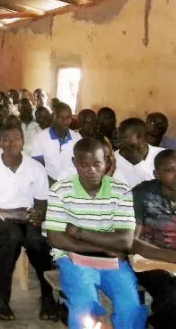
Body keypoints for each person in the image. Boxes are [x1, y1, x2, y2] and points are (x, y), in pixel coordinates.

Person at [44, 138, 147, 329]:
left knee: (130, 307)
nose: (91, 170)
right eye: (84, 165)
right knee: (84, 304)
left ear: (106, 162)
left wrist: (80, 233)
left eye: (97, 164)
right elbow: (56, 238)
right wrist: (106, 247)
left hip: (112, 260)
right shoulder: (60, 190)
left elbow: (125, 240)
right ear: (75, 163)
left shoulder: (121, 190)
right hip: (73, 258)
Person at [0, 122, 56, 322]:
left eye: (16, 138)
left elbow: (42, 201)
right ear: (0, 142)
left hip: (26, 217)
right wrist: (7, 213)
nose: (11, 143)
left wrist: (39, 214)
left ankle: (48, 298)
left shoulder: (35, 167)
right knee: (12, 237)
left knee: (38, 243)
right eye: (6, 139)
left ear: (23, 141)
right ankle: (0, 298)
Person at [131, 149, 176, 328]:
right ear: (157, 174)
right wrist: (169, 257)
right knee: (172, 296)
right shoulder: (143, 193)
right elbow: (131, 241)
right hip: (148, 261)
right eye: (169, 170)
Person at [31, 102, 82, 182]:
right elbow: (37, 166)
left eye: (68, 117)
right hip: (48, 183)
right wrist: (52, 183)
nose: (65, 120)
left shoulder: (77, 138)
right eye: (60, 117)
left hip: (72, 184)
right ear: (53, 117)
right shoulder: (40, 138)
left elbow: (81, 164)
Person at [116, 117, 165, 188]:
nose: (119, 143)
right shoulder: (114, 158)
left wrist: (138, 163)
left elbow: (161, 188)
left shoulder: (163, 156)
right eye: (118, 139)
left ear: (139, 136)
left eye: (123, 138)